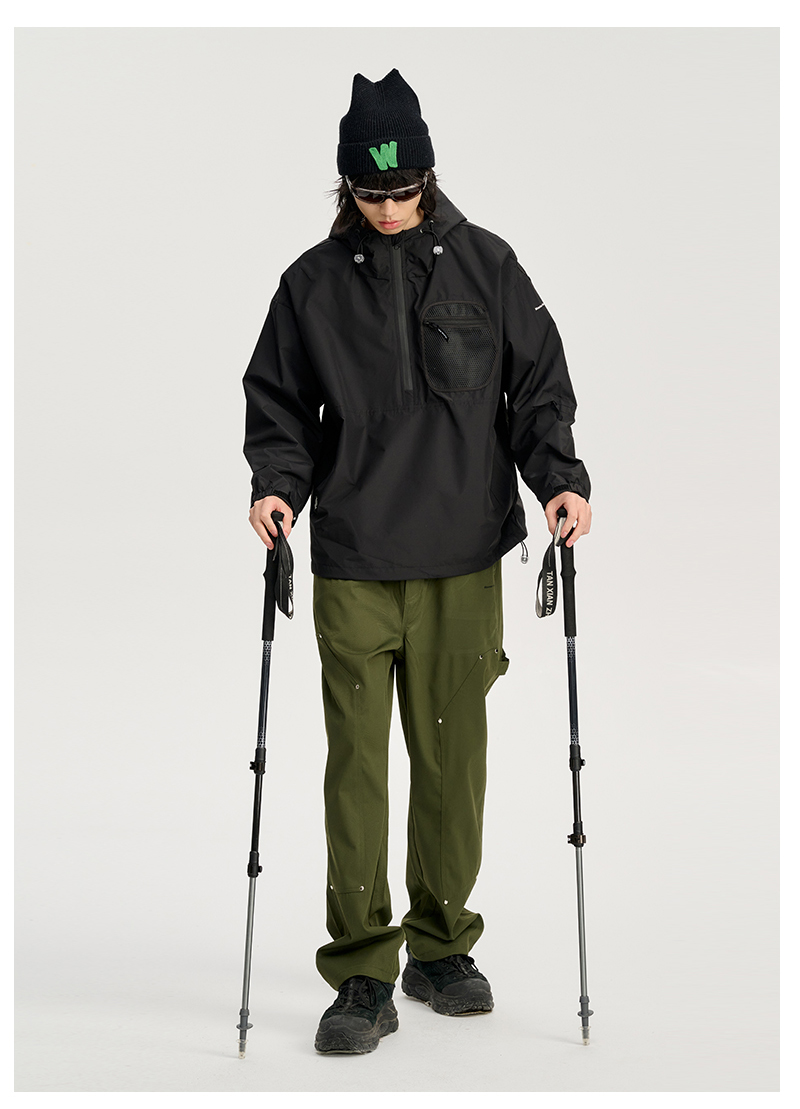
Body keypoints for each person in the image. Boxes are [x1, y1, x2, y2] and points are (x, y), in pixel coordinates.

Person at [241, 68, 592, 1055]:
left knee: (450, 763)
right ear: (344, 186)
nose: (389, 208)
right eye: (369, 192)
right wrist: (276, 485)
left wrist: (559, 479)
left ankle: (440, 946)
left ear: (429, 176)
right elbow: (279, 404)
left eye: (402, 190)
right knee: (356, 767)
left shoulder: (487, 265)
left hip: (462, 558)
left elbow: (537, 388)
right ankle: (362, 968)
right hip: (355, 558)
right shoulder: (310, 286)